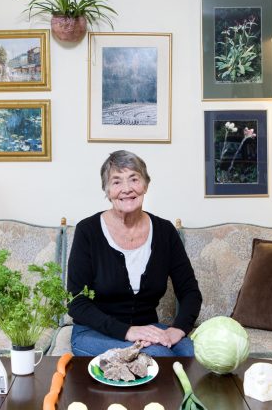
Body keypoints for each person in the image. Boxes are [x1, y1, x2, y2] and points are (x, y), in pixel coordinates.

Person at [67, 150, 202, 357]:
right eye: (117, 182)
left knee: (194, 354)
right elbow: (76, 302)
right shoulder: (88, 231)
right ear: (107, 190)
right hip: (94, 332)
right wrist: (128, 331)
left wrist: (178, 329)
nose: (127, 189)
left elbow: (190, 291)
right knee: (160, 356)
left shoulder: (165, 231)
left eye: (134, 179)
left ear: (145, 185)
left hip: (147, 328)